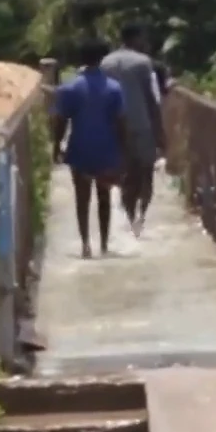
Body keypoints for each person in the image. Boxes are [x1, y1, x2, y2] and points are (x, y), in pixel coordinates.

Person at [51, 40, 128, 258]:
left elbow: (60, 121)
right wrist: (123, 151)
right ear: (102, 60)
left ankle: (85, 243)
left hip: (80, 148)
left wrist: (56, 147)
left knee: (81, 199)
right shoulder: (114, 88)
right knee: (104, 197)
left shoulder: (69, 87)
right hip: (107, 148)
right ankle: (104, 242)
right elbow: (121, 122)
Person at [100, 23, 166, 237]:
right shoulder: (143, 63)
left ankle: (129, 216)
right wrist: (160, 132)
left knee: (125, 174)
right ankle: (141, 215)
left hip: (114, 126)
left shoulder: (106, 62)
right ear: (136, 38)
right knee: (146, 172)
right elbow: (152, 98)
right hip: (141, 124)